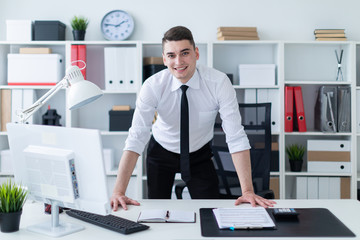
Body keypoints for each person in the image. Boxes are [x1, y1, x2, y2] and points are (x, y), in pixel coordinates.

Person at [111, 26, 276, 211]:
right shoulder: (152, 86)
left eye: (185, 53)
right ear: (164, 59)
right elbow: (137, 136)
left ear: (196, 53)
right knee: (156, 212)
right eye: (171, 55)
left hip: (199, 153)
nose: (178, 61)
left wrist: (247, 191)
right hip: (161, 150)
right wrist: (118, 191)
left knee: (210, 212)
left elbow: (236, 136)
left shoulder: (218, 83)